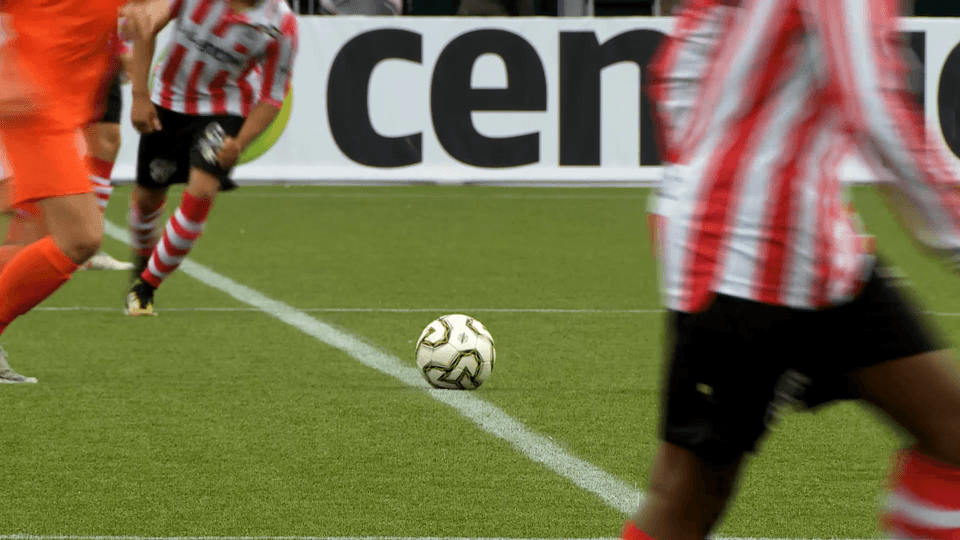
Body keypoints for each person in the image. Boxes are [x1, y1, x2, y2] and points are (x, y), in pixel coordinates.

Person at [627, 1, 960, 540]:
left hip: (824, 255)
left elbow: (674, 72)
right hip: (743, 258)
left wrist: (689, 183)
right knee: (688, 500)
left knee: (953, 432)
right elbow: (874, 106)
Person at [0, 0, 156, 383]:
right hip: (32, 103)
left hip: (61, 105)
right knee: (81, 236)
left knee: (33, 242)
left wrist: (133, 24)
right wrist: (8, 69)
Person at [124, 0, 298, 316]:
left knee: (203, 191)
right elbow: (146, 25)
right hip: (167, 100)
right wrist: (139, 96)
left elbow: (273, 96)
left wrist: (239, 142)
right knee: (147, 200)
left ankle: (146, 287)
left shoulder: (281, 23)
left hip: (223, 107)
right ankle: (143, 262)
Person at [0, 31, 135, 272]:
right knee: (18, 194)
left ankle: (82, 241)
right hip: (44, 50)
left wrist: (119, 44)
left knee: (107, 139)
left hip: (94, 46)